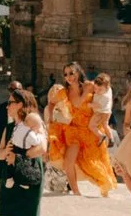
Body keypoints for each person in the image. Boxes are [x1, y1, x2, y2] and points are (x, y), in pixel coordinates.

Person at [48, 63, 117, 196]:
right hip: (73, 130)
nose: (69, 77)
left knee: (93, 162)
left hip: (91, 130)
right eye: (66, 74)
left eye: (72, 73)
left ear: (78, 73)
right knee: (69, 160)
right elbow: (51, 102)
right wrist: (50, 117)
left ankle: (105, 189)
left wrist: (105, 112)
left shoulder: (90, 85)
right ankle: (76, 192)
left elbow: (107, 90)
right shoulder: (64, 92)